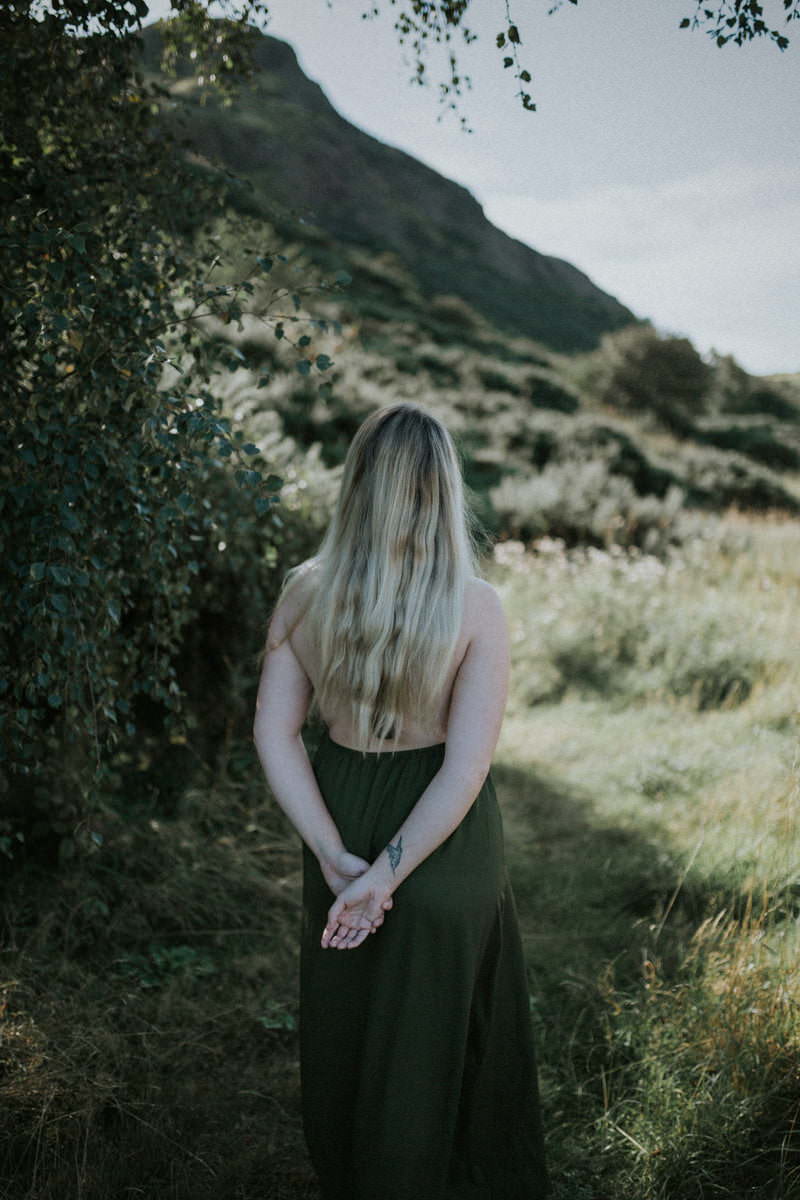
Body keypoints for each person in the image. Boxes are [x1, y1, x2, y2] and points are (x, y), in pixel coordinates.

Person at [252, 401, 551, 1200]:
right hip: (441, 833)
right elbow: (466, 766)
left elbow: (276, 736)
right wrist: (389, 873)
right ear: (442, 488)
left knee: (348, 1018)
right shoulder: (477, 606)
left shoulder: (304, 593)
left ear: (358, 484)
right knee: (444, 1028)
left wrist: (333, 852)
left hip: (342, 809)